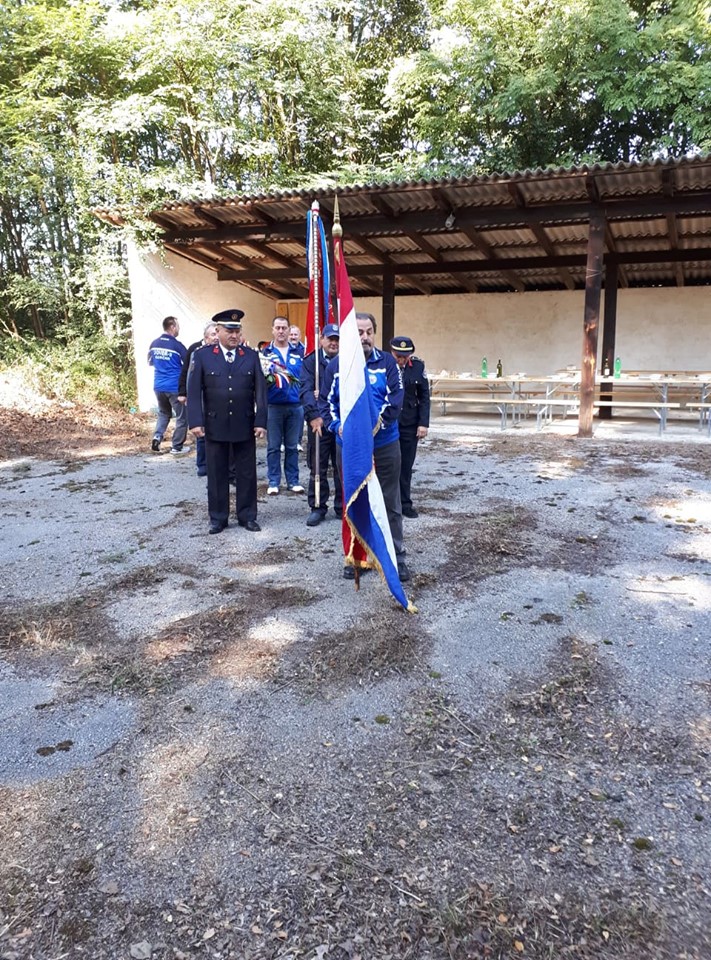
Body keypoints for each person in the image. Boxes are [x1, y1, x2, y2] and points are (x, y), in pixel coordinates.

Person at [320, 312, 408, 581]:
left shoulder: (388, 365)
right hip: (350, 448)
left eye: (369, 332)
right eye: (359, 332)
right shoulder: (337, 365)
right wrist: (338, 427)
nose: (365, 337)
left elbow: (396, 398)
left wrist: (377, 424)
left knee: (391, 502)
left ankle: (395, 557)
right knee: (354, 501)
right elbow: (326, 403)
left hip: (384, 445)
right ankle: (356, 557)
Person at [187, 309, 267, 535]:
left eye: (237, 330)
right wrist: (195, 421)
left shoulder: (250, 356)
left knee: (247, 473)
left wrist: (260, 420)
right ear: (218, 331)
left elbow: (260, 391)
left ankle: (247, 516)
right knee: (216, 473)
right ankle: (218, 518)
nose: (234, 335)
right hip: (215, 424)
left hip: (244, 423)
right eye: (229, 330)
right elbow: (194, 392)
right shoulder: (202, 356)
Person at [300, 324, 342, 527]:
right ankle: (318, 506)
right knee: (318, 466)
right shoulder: (311, 362)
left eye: (336, 339)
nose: (333, 343)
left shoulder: (347, 360)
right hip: (320, 422)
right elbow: (305, 390)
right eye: (329, 338)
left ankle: (343, 506)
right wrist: (313, 415)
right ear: (321, 339)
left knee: (341, 465)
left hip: (341, 421)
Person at [262, 316, 305, 495]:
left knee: (292, 446)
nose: (281, 331)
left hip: (295, 406)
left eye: (284, 328)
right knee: (273, 446)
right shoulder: (265, 353)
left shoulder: (299, 352)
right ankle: (273, 481)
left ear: (289, 330)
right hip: (273, 406)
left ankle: (293, 480)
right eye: (278, 328)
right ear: (272, 330)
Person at [390, 336, 430, 518]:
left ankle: (405, 503)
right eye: (398, 355)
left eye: (405, 356)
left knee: (405, 466)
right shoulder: (384, 367)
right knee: (389, 466)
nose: (402, 359)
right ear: (392, 352)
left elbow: (424, 398)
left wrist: (423, 423)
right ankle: (389, 503)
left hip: (409, 424)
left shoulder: (418, 367)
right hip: (388, 424)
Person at [178, 320, 220, 477]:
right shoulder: (195, 349)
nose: (216, 337)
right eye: (213, 334)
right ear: (205, 336)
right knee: (201, 431)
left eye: (217, 333)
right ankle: (202, 465)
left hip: (215, 397)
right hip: (199, 395)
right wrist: (182, 392)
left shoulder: (221, 350)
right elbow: (185, 371)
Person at [147, 316, 189, 454]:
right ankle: (177, 447)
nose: (179, 329)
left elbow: (150, 362)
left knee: (164, 413)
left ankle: (157, 437)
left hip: (158, 386)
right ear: (172, 327)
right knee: (182, 417)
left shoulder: (154, 343)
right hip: (174, 387)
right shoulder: (177, 345)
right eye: (178, 326)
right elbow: (188, 364)